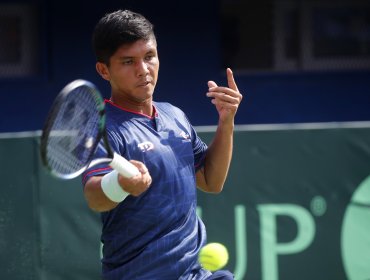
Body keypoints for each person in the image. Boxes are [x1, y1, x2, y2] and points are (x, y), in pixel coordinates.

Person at [82, 9, 242, 280]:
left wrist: (226, 121)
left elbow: (210, 181)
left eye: (149, 57)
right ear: (104, 70)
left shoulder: (174, 115)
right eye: (128, 61)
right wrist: (120, 185)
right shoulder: (103, 129)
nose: (143, 70)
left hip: (194, 274)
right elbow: (94, 196)